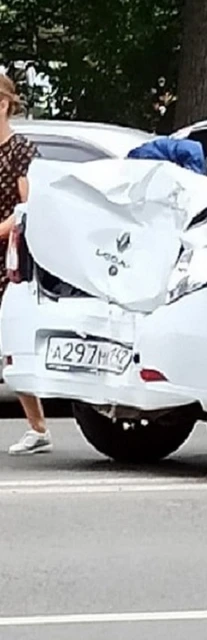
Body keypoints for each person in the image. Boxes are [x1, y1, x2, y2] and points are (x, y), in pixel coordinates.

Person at [0, 74, 50, 455]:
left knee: (11, 342)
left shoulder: (21, 151)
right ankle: (37, 427)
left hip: (11, 258)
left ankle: (38, 426)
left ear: (3, 105)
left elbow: (27, 210)